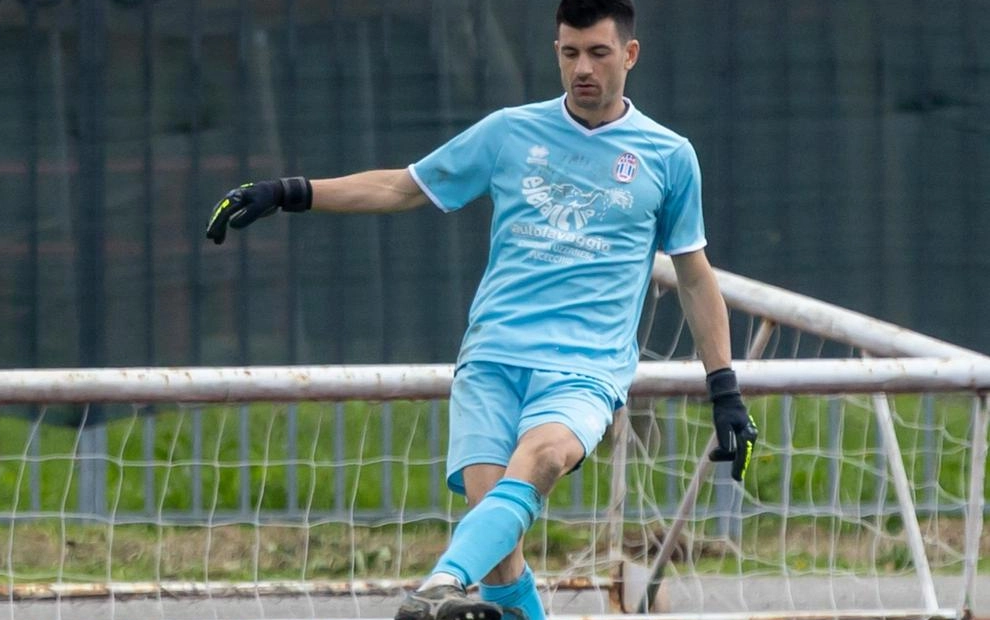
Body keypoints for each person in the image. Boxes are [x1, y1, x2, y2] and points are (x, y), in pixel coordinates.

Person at [206, 1, 757, 619]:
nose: (583, 68)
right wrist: (289, 193)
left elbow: (693, 274)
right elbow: (403, 186)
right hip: (491, 357)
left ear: (629, 55)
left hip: (584, 366)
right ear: (556, 52)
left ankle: (437, 584)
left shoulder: (669, 156)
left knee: (546, 456)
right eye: (570, 52)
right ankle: (460, 584)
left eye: (598, 53)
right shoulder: (509, 133)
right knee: (498, 548)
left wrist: (723, 384)